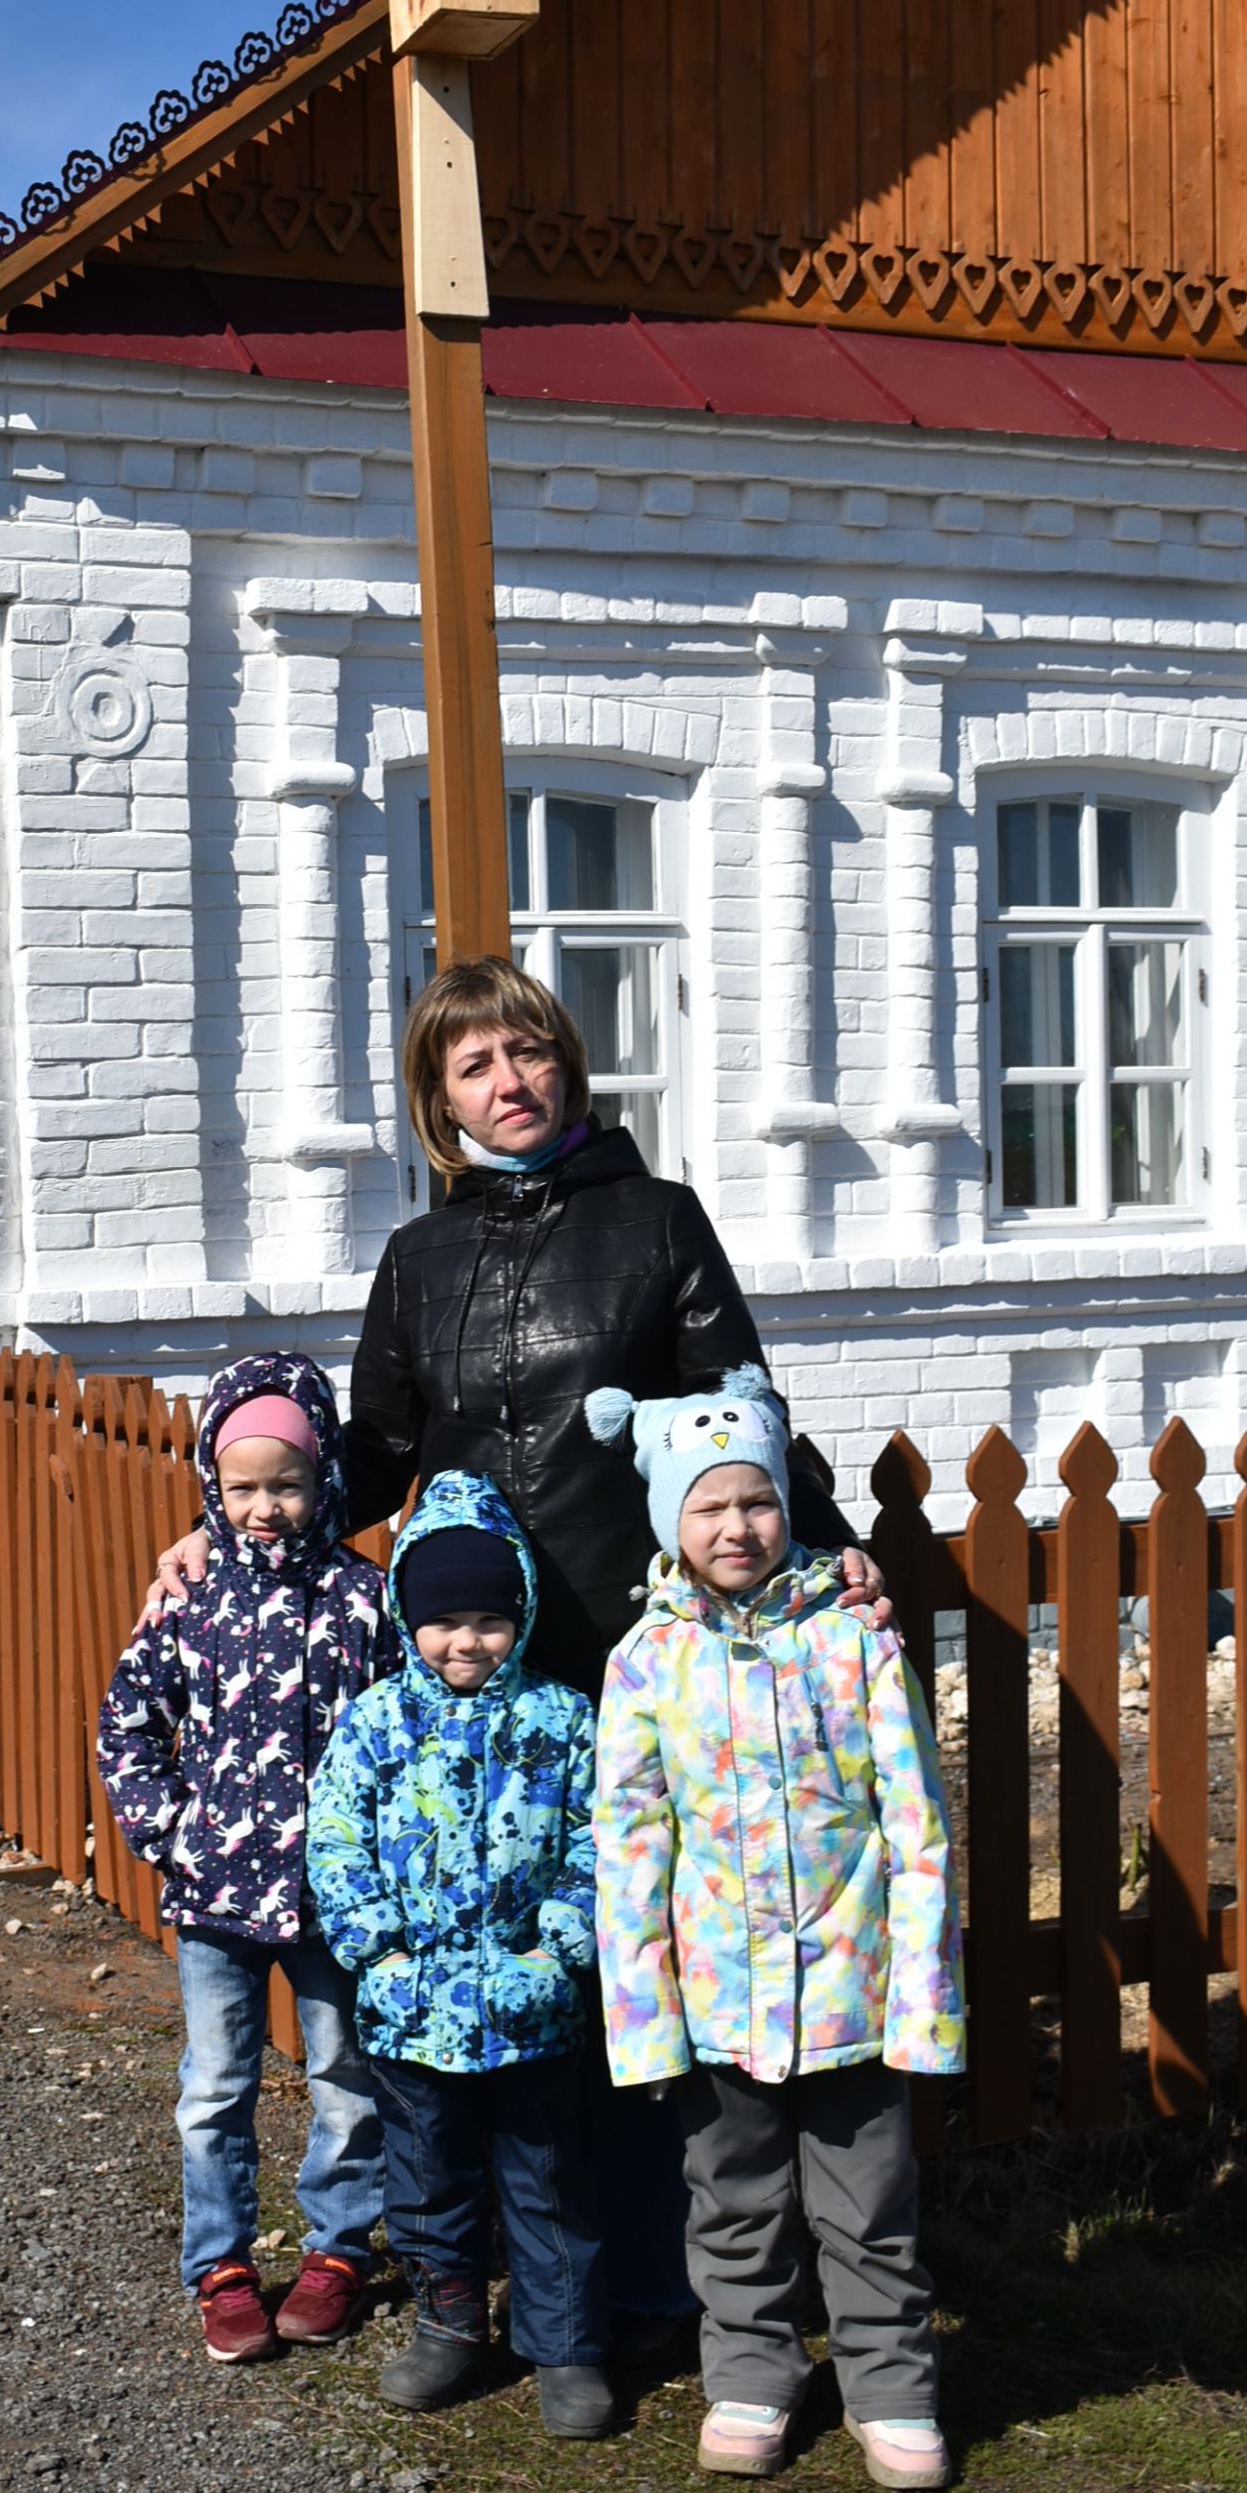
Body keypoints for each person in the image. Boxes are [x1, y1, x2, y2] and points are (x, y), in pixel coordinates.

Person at [150, 956, 891, 2326]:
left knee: (627, 1931)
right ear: (442, 1104)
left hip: (625, 1638)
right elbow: (367, 1454)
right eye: (475, 1066)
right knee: (487, 1932)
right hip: (473, 1659)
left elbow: (741, 1400)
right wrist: (226, 1528)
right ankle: (472, 2249)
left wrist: (832, 1538)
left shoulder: (658, 1222)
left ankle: (650, 2262)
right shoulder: (421, 1257)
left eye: (529, 1052)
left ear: (568, 1064)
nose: (511, 1081)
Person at [589, 1365, 965, 2490]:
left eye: (755, 1501)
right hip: (717, 1997)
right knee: (735, 2199)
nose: (737, 1525)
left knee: (868, 2204)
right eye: (709, 1506)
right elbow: (630, 1847)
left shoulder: (854, 1640)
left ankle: (891, 2385)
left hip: (851, 1985)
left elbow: (917, 1822)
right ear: (671, 1519)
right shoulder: (646, 1662)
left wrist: (922, 1995)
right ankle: (751, 2373)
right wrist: (644, 2021)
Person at [97, 1351, 396, 2365]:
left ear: (326, 1482)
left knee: (346, 2075)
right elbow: (128, 1723)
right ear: (212, 1488)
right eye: (245, 1486)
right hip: (215, 1890)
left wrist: (383, 1851)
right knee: (215, 2084)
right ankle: (220, 2264)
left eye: (288, 1483)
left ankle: (338, 2249)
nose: (266, 1506)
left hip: (335, 1895)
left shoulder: (367, 1603)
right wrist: (169, 1830)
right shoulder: (188, 1601)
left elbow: (407, 1734)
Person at [305, 1469, 614, 2441]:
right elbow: (336, 1839)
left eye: (487, 1618)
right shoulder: (376, 1723)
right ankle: (449, 2322)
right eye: (444, 1621)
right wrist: (375, 1949)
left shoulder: (562, 1721)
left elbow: (602, 1838)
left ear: (517, 1615)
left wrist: (561, 1948)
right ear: (409, 1617)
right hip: (410, 2005)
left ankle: (563, 2344)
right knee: (429, 2171)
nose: (465, 1640)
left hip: (533, 2004)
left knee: (547, 2176)